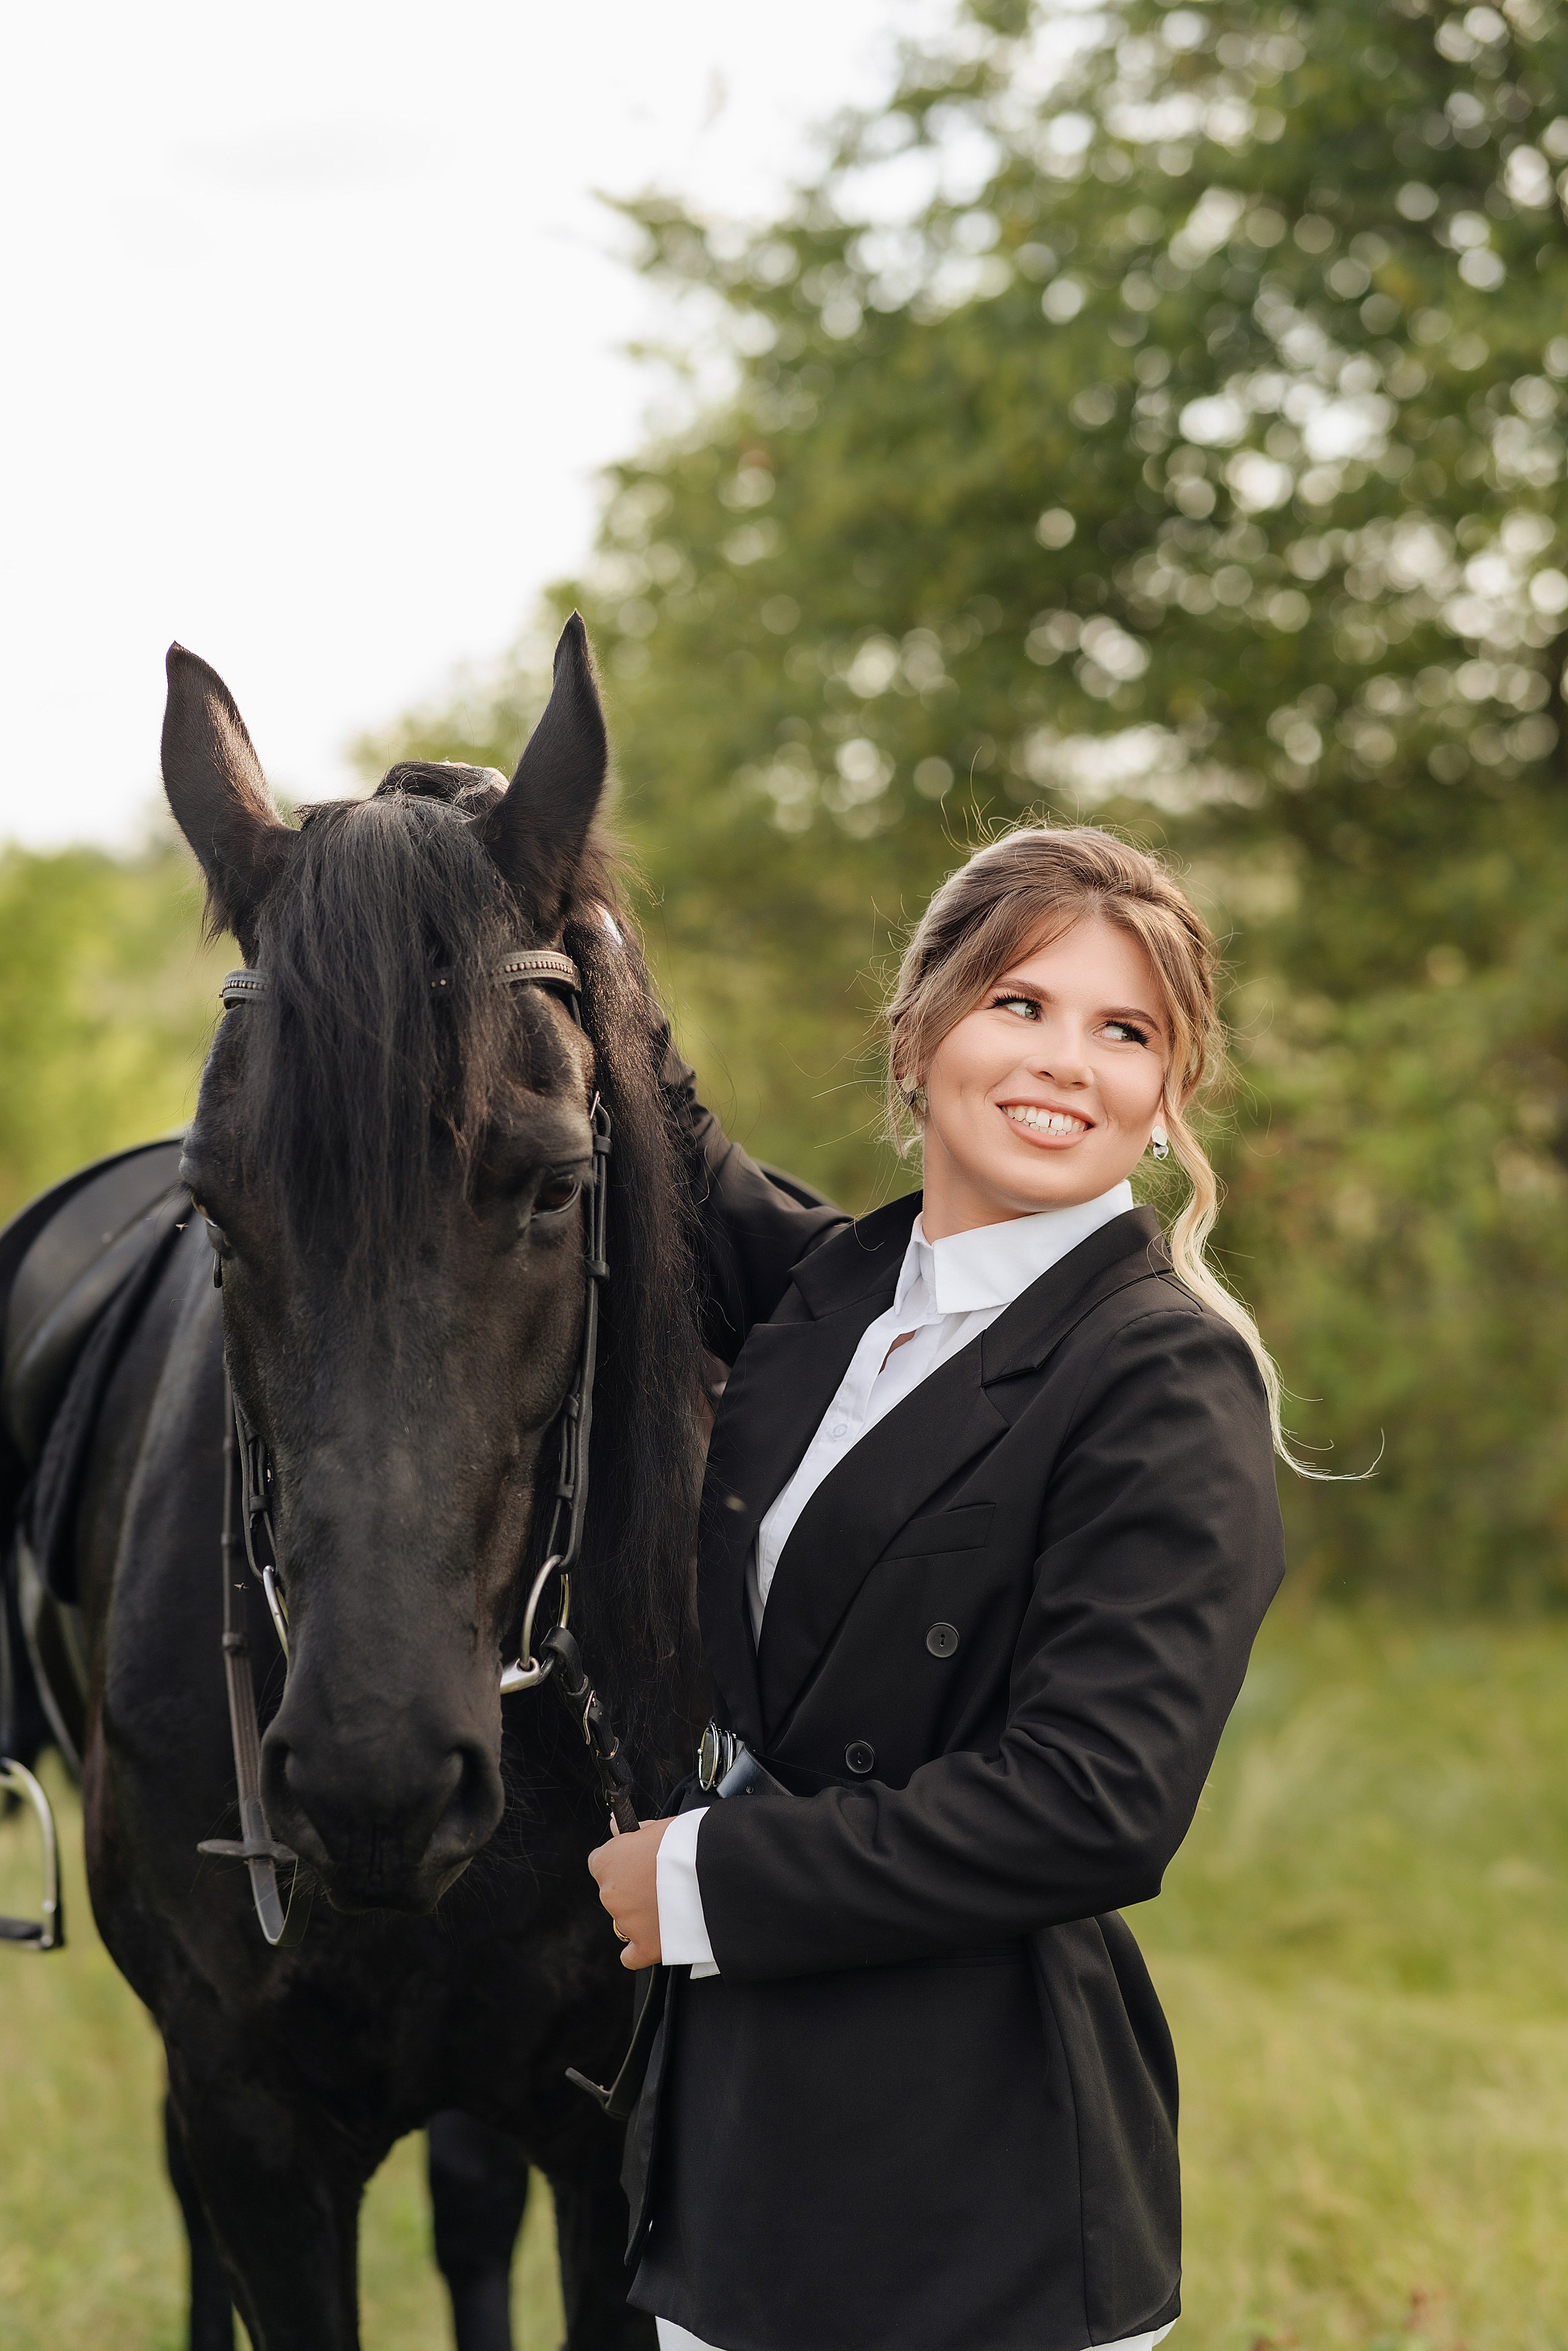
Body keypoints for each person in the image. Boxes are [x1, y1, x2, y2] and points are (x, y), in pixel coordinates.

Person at [592, 824, 1292, 2351]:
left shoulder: (1163, 1376)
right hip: (737, 2150)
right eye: (1019, 1004)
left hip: (977, 2184)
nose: (1067, 1063)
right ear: (916, 1038)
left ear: (1167, 1100)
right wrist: (579, 929)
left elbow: (1094, 1797)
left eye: (1126, 1032)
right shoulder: (847, 1289)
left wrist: (706, 1879)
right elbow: (680, 1155)